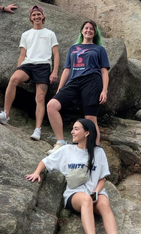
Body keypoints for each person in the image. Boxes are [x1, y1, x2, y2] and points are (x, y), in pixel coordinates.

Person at [25, 118, 123, 234]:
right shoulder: (67, 150)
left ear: (87, 133)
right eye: (73, 128)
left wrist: (96, 192)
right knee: (86, 200)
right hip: (75, 195)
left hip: (95, 193)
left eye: (76, 129)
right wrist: (36, 172)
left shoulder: (99, 152)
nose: (72, 132)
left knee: (104, 203)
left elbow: (103, 179)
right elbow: (45, 161)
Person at [0, 5, 60, 141]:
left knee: (40, 98)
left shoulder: (50, 34)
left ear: (43, 16)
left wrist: (54, 71)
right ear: (30, 18)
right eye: (34, 15)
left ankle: (37, 129)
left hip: (43, 66)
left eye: (39, 14)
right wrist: (19, 68)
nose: (36, 17)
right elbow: (22, 54)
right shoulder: (26, 34)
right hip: (27, 65)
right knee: (13, 79)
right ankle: (5, 114)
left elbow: (56, 54)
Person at [45, 21, 109, 154]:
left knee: (90, 118)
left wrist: (104, 90)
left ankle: (94, 151)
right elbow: (67, 70)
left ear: (95, 32)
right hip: (74, 81)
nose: (88, 30)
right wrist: (60, 89)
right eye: (86, 28)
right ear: (81, 31)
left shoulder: (99, 49)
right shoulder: (73, 48)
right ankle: (60, 142)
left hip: (92, 81)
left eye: (91, 29)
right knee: (52, 105)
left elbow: (104, 71)